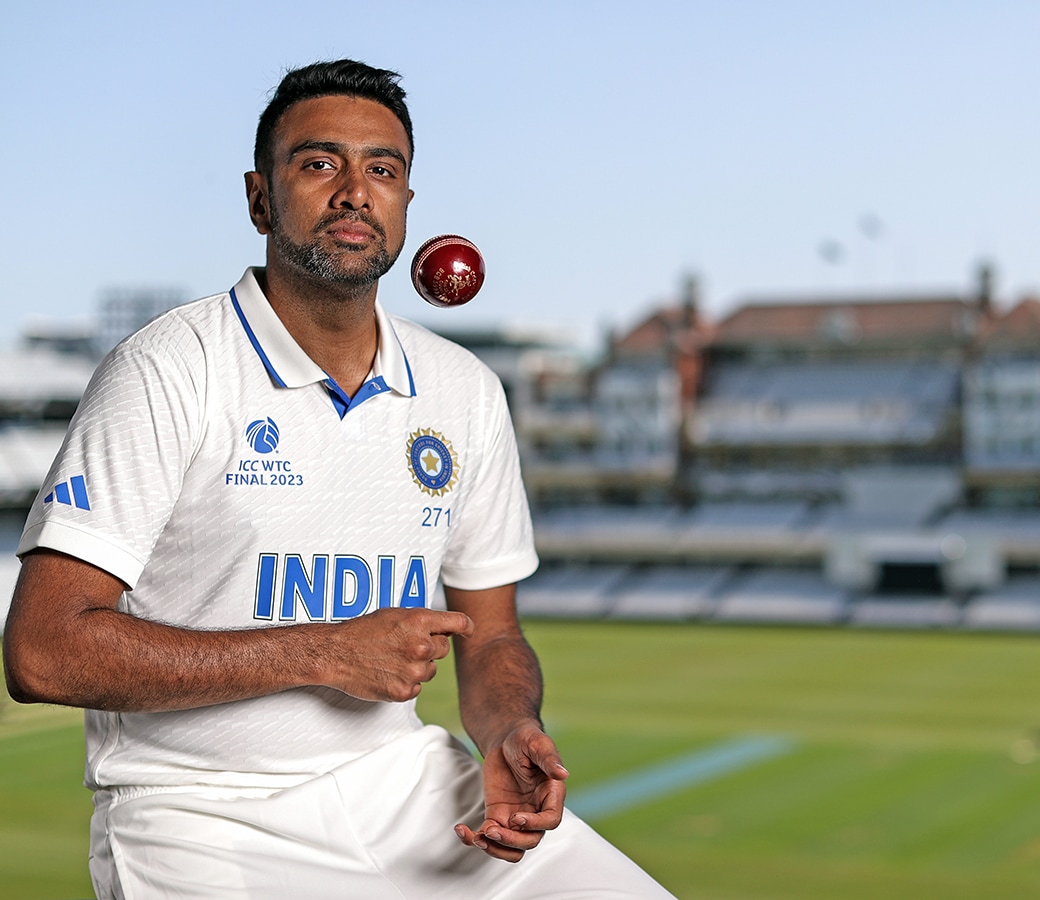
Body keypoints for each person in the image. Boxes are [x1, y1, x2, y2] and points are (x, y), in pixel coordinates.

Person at [3, 59, 673, 899]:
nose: (356, 191)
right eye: (320, 163)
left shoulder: (463, 388)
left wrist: (510, 729)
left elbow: (492, 634)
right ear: (259, 200)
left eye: (382, 170)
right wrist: (323, 650)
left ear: (405, 207)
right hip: (200, 814)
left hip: (407, 785)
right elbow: (41, 651)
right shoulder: (168, 368)